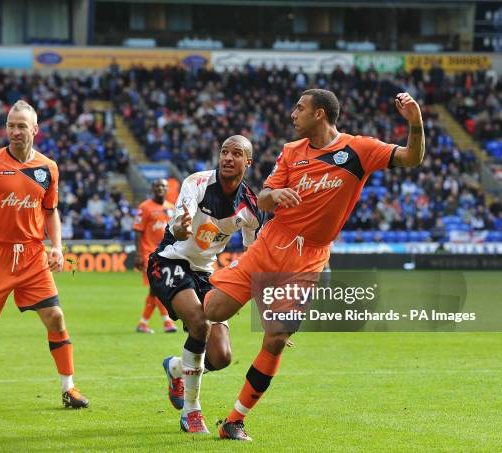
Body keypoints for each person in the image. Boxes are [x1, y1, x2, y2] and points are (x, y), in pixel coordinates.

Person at [205, 89, 425, 441]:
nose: (293, 114)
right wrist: (273, 196)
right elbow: (262, 197)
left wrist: (415, 124)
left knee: (275, 339)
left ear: (320, 114)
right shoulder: (292, 152)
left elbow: (412, 158)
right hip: (270, 244)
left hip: (308, 259)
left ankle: (234, 420)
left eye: (300, 108)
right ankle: (186, 368)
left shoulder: (359, 150)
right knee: (211, 309)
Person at [0, 100, 89, 411]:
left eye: (21, 126)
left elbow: (51, 212)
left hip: (31, 255)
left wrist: (57, 247)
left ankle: (70, 388)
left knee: (55, 317)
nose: (14, 131)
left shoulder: (48, 168)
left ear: (35, 130)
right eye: (11, 125)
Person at [147, 135, 264, 434]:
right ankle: (191, 410)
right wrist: (180, 226)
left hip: (205, 274)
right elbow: (179, 219)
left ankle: (175, 367)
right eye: (224, 151)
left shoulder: (250, 208)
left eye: (236, 153)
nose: (227, 158)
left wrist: (270, 311)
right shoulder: (197, 182)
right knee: (199, 323)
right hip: (170, 261)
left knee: (221, 357)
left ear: (247, 162)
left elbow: (255, 258)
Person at [133, 179, 178, 334]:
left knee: (156, 289)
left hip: (166, 254)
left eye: (163, 186)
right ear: (152, 188)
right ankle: (166, 322)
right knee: (158, 287)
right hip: (148, 254)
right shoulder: (144, 207)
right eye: (157, 186)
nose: (160, 188)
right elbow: (137, 231)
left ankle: (144, 323)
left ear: (167, 190)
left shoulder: (171, 208)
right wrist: (138, 253)